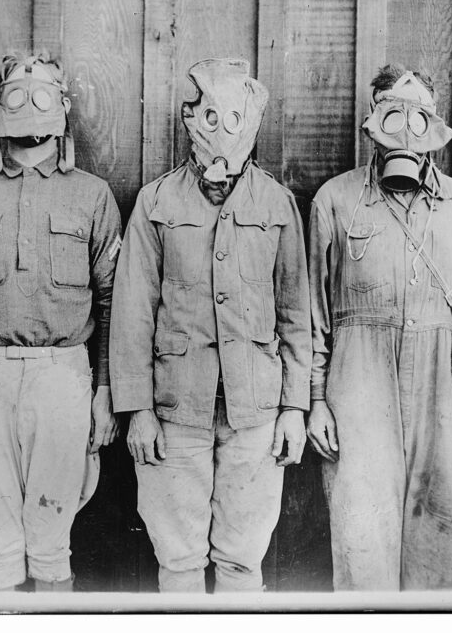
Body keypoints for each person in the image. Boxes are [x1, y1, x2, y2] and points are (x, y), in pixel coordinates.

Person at [110, 58, 310, 593]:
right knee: (178, 562)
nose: (225, 130)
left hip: (256, 412)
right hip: (176, 410)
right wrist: (138, 412)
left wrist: (295, 408)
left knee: (243, 561)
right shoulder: (156, 203)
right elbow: (131, 314)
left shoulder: (277, 204)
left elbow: (296, 315)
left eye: (237, 117)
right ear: (190, 119)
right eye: (211, 116)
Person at [307, 64, 452, 591]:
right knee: (360, 533)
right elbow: (314, 313)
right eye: (393, 113)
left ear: (433, 127)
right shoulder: (335, 200)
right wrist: (317, 400)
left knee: (438, 532)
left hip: (443, 385)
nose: (405, 132)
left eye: (419, 118)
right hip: (358, 384)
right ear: (373, 120)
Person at [0, 53, 122, 592]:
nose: (28, 106)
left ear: (62, 106)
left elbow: (113, 300)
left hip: (63, 375)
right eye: (16, 95)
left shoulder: (91, 194)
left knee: (50, 542)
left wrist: (106, 390)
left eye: (41, 94)